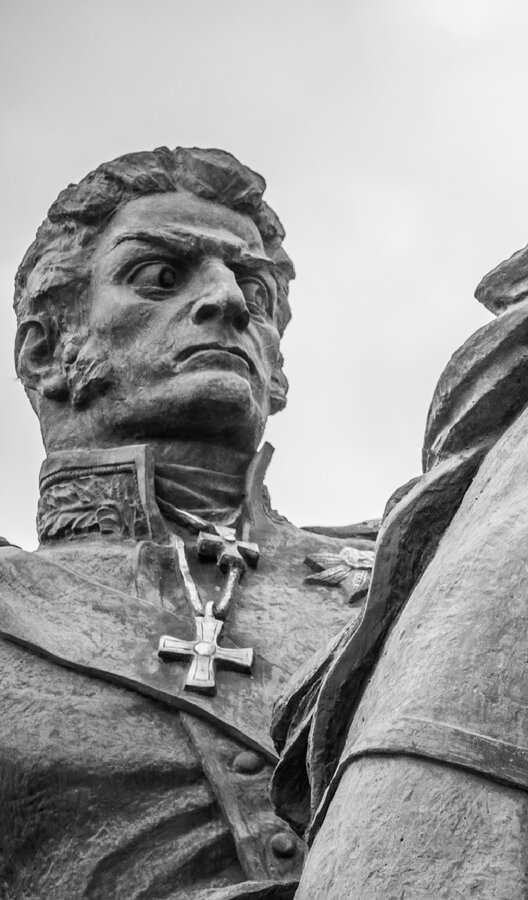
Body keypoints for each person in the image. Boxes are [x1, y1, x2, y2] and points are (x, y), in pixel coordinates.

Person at [0, 147, 373, 900]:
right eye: (161, 277)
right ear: (46, 352)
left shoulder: (395, 590)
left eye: (256, 292)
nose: (230, 302)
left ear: (277, 366)